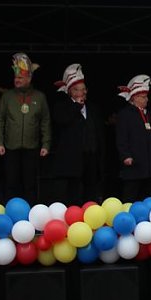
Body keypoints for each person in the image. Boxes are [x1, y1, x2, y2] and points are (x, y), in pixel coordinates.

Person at [0, 52, 51, 204]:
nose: (16, 80)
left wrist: (46, 144)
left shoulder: (40, 97)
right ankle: (11, 214)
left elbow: (45, 121)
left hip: (32, 147)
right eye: (15, 77)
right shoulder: (7, 97)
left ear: (29, 78)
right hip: (10, 147)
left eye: (20, 78)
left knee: (30, 184)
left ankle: (31, 216)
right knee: (11, 183)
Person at [49, 64, 105, 206]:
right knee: (72, 192)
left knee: (90, 190)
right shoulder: (62, 106)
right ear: (69, 91)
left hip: (90, 156)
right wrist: (76, 106)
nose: (81, 93)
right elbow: (62, 120)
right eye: (77, 89)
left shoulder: (92, 108)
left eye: (83, 89)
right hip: (71, 159)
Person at [115, 74, 151, 203]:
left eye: (146, 97)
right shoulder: (125, 114)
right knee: (131, 195)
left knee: (147, 195)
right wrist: (125, 155)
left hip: (148, 164)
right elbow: (121, 137)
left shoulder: (148, 114)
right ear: (134, 97)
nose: (147, 100)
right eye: (143, 97)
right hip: (133, 164)